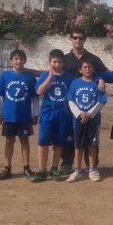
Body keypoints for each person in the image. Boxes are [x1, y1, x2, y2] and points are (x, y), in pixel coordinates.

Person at [61, 28, 107, 173]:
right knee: (70, 134)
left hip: (90, 103)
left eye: (81, 38)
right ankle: (67, 163)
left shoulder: (92, 58)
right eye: (75, 38)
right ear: (71, 39)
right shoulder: (65, 58)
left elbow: (104, 72)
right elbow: (56, 72)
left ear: (85, 39)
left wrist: (100, 79)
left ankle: (91, 165)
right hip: (70, 101)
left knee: (91, 136)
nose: (78, 40)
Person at [0, 49, 40, 181]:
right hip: (8, 115)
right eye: (15, 59)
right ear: (11, 61)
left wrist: (35, 114)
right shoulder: (4, 76)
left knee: (24, 141)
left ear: (25, 61)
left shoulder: (30, 77)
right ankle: (7, 168)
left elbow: (35, 97)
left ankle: (26, 168)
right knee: (9, 141)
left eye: (21, 59)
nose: (18, 61)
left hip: (24, 115)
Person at [34, 49, 74, 181]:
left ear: (63, 63)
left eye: (60, 62)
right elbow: (39, 91)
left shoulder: (68, 77)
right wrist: (50, 76)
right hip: (48, 112)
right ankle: (42, 170)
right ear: (50, 62)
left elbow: (72, 94)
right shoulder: (45, 75)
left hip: (62, 113)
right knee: (43, 141)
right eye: (54, 62)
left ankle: (54, 169)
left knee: (59, 142)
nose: (57, 65)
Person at [66, 60, 107, 182]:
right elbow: (70, 100)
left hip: (93, 120)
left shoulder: (98, 83)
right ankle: (77, 170)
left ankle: (92, 169)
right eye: (85, 67)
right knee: (78, 145)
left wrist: (90, 114)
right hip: (78, 120)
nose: (87, 69)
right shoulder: (75, 83)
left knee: (92, 145)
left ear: (94, 69)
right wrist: (80, 114)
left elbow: (101, 101)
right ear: (80, 70)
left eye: (90, 67)